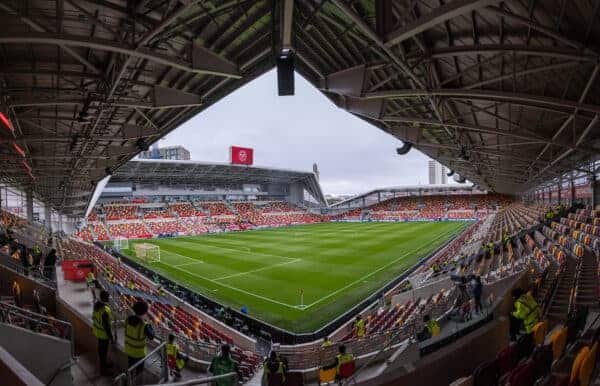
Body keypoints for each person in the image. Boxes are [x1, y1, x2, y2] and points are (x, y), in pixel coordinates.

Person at [124, 300, 155, 374]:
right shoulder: (144, 325)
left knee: (130, 367)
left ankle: (127, 381)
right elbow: (152, 336)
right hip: (139, 353)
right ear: (145, 312)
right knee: (139, 371)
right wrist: (150, 325)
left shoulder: (128, 319)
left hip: (128, 349)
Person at [93, 291, 114, 375]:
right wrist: (111, 337)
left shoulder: (96, 305)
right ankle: (103, 370)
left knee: (101, 350)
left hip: (97, 331)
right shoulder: (104, 310)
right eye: (108, 297)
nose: (109, 298)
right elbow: (106, 326)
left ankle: (104, 363)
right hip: (103, 334)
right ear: (105, 298)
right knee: (103, 351)